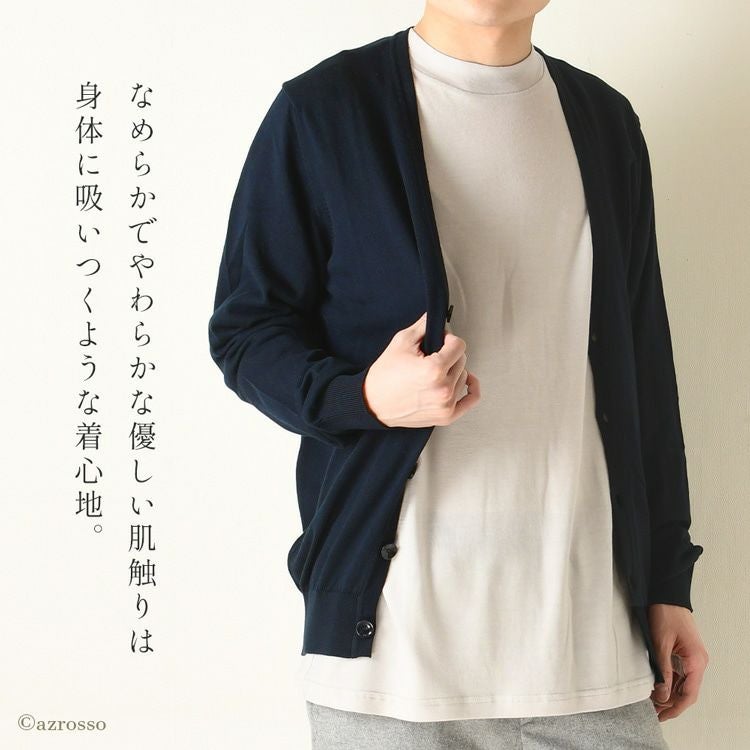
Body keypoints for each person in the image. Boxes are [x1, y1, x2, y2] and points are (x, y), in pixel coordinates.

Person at [208, 2, 709, 747]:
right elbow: (246, 331)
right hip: (394, 654)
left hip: (589, 640)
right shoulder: (324, 111)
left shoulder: (606, 122)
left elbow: (645, 370)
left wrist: (668, 582)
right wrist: (364, 397)